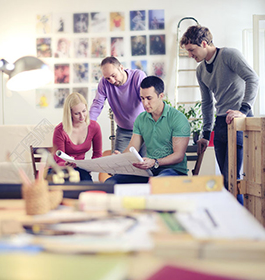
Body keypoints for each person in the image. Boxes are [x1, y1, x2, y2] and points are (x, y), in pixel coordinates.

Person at [180, 25, 259, 201]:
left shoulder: (229, 55)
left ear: (203, 43)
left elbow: (252, 78)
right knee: (224, 180)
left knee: (233, 179)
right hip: (221, 122)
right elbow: (207, 103)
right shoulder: (200, 70)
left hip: (239, 121)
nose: (190, 55)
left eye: (192, 50)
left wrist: (243, 111)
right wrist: (205, 134)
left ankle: (239, 224)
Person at [105, 76, 190, 184]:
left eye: (149, 98)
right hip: (150, 171)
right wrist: (119, 158)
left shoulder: (178, 118)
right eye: (142, 98)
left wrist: (155, 162)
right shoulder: (141, 119)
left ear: (161, 96)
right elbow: (133, 147)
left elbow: (178, 156)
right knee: (111, 182)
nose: (145, 103)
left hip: (174, 172)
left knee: (155, 183)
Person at [89, 56, 146, 154]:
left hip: (145, 130)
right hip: (124, 131)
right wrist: (88, 125)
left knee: (146, 164)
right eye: (108, 78)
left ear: (121, 68)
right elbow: (98, 103)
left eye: (113, 75)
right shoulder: (104, 83)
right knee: (119, 163)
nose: (112, 81)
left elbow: (146, 100)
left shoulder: (138, 76)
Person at [53, 92, 102, 181]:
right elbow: (59, 160)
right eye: (77, 113)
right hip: (62, 169)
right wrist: (66, 164)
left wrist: (90, 167)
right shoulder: (60, 130)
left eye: (84, 111)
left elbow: (97, 154)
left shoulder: (94, 127)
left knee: (87, 185)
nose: (82, 116)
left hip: (81, 168)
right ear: (70, 114)